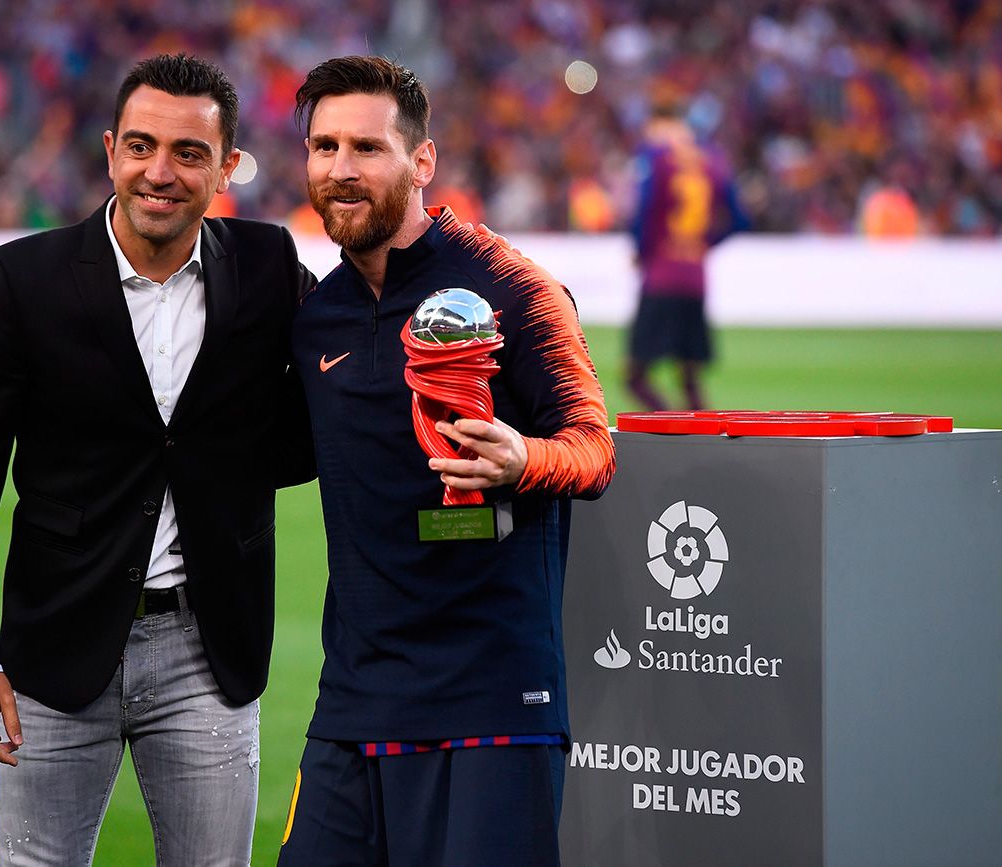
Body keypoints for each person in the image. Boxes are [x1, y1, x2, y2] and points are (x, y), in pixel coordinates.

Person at [0, 53, 314, 866]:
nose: (160, 172)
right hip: (50, 655)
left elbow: (345, 377)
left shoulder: (272, 266)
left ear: (228, 165)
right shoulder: (19, 281)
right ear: (109, 151)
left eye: (189, 153)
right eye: (141, 147)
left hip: (209, 650)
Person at [278, 56, 617, 866]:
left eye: (367, 148)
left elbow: (594, 448)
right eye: (324, 148)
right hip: (355, 700)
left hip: (493, 696)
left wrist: (522, 458)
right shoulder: (318, 315)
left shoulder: (512, 286)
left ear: (421, 161)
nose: (340, 170)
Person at [626, 104, 749, 411]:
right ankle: (705, 438)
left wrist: (642, 251)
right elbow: (740, 219)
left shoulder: (656, 159)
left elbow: (646, 210)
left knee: (636, 378)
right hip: (695, 278)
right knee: (690, 379)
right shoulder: (714, 161)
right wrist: (703, 243)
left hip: (662, 276)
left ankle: (670, 424)